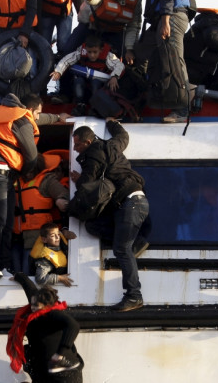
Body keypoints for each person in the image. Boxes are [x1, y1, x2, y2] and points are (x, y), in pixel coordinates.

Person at [0, 93, 69, 278]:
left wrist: (57, 117)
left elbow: (37, 119)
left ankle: (3, 265)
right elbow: (30, 155)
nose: (38, 117)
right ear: (29, 110)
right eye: (38, 113)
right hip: (1, 173)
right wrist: (27, 170)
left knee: (5, 223)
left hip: (4, 173)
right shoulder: (22, 121)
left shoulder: (15, 116)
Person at [70, 120, 149, 312]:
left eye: (77, 144)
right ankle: (137, 242)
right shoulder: (111, 145)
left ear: (87, 143)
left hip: (129, 204)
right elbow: (123, 136)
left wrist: (70, 203)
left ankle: (134, 296)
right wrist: (112, 123)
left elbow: (87, 190)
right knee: (93, 226)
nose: (75, 148)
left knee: (121, 249)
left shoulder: (92, 158)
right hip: (136, 202)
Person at [135, 0, 196, 123]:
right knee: (142, 53)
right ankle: (147, 96)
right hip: (170, 18)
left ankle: (182, 108)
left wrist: (165, 20)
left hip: (172, 18)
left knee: (175, 60)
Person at [8, 272, 83, 381]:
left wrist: (60, 354)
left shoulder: (52, 313)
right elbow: (30, 288)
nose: (32, 307)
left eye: (36, 305)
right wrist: (19, 276)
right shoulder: (36, 307)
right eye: (32, 304)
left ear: (46, 305)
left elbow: (73, 325)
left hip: (62, 374)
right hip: (43, 369)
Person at [11, 151, 72, 273]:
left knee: (28, 271)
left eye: (31, 168)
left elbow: (62, 193)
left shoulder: (46, 180)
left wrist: (61, 200)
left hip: (36, 238)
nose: (28, 172)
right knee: (15, 273)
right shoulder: (15, 182)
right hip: (15, 237)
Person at [71, 0, 142, 61]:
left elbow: (134, 24)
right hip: (90, 26)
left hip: (115, 30)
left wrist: (129, 49)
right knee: (67, 50)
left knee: (127, 58)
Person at [50, 33, 125, 116]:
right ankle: (80, 105)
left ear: (101, 50)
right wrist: (58, 71)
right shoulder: (81, 51)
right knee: (78, 82)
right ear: (86, 49)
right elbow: (67, 59)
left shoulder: (108, 55)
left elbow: (119, 65)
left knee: (95, 82)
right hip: (84, 80)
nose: (92, 55)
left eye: (95, 52)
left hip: (99, 83)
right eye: (89, 52)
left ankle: (96, 107)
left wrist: (114, 76)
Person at [30, 222, 74, 287]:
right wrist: (59, 278)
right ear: (44, 240)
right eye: (52, 236)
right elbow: (40, 278)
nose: (57, 237)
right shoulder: (45, 259)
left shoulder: (60, 247)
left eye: (58, 234)